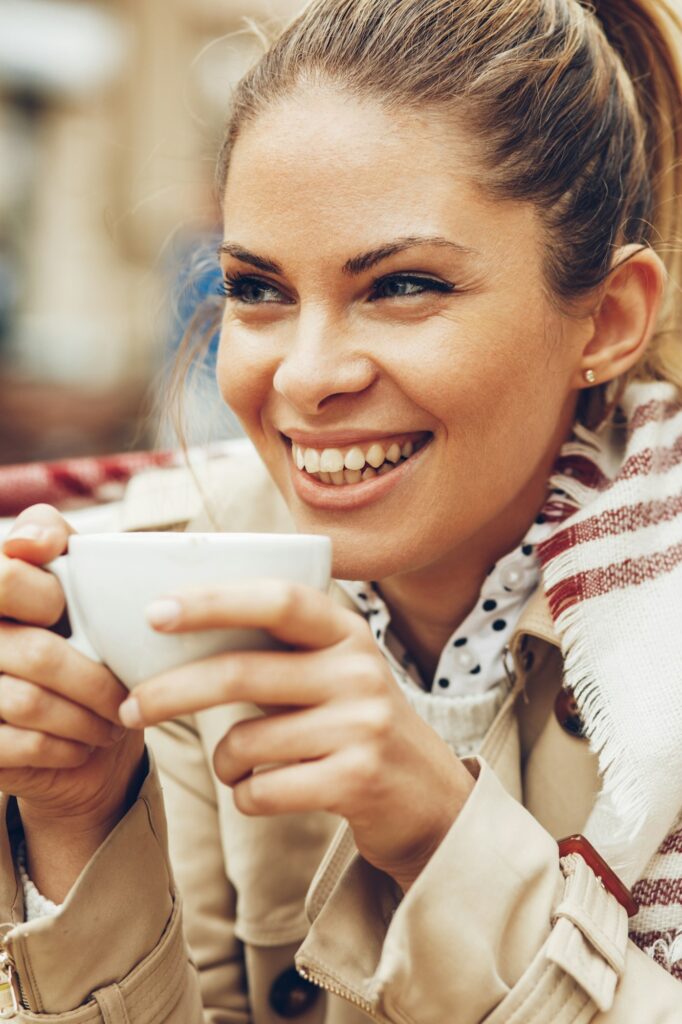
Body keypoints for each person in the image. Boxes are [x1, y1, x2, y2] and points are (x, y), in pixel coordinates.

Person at [0, 0, 681, 1019]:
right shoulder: (169, 583)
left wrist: (441, 843)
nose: (306, 376)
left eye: (402, 284)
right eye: (257, 288)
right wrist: (77, 825)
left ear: (608, 317)